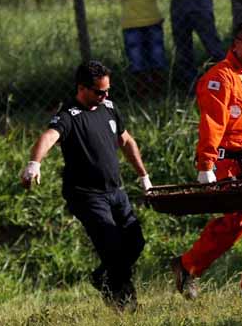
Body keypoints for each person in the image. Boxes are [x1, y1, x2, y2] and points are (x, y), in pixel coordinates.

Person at [20, 61, 152, 311]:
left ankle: (103, 277)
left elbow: (126, 141)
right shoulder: (69, 115)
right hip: (86, 195)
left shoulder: (109, 107)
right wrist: (34, 163)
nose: (105, 96)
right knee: (112, 245)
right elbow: (49, 136)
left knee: (135, 242)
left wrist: (144, 177)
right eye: (99, 92)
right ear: (82, 88)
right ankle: (124, 301)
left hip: (116, 190)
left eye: (108, 91)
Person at [170, 20, 242, 298]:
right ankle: (187, 265)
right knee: (237, 221)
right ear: (236, 44)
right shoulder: (220, 77)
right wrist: (206, 165)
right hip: (226, 161)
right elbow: (212, 124)